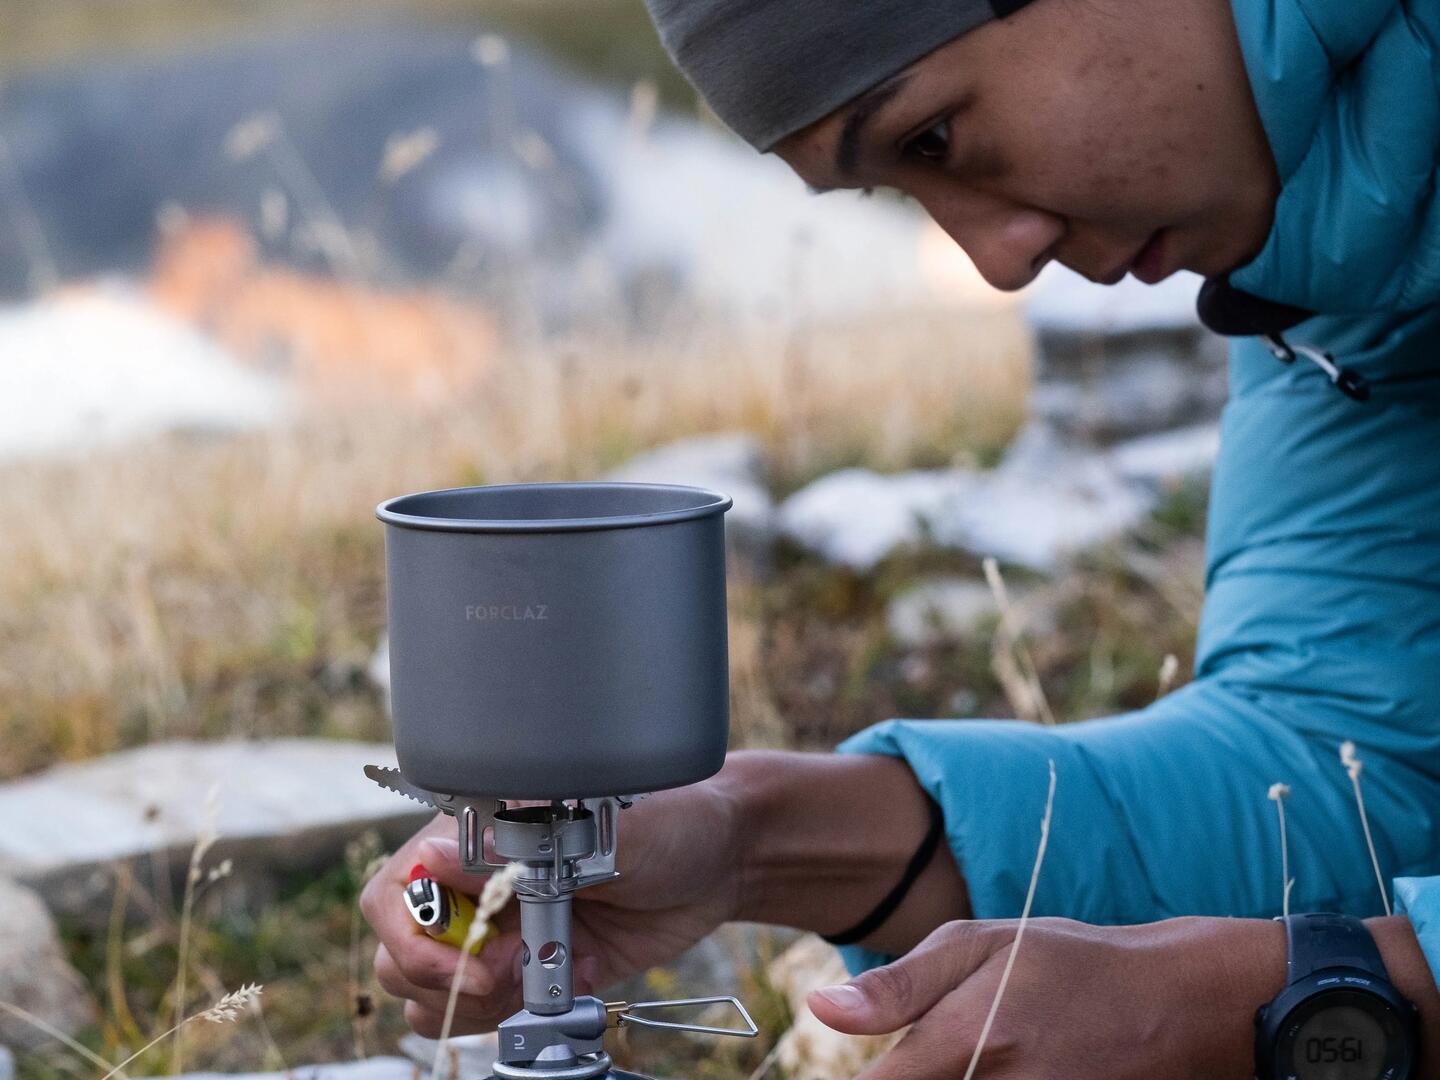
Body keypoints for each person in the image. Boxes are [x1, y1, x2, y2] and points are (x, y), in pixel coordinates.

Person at [362, 0, 1440, 1074]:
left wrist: (1292, 1005)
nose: (999, 261)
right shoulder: (1333, 283)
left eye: (935, 137)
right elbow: (1358, 767)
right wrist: (752, 836)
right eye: (904, 186)